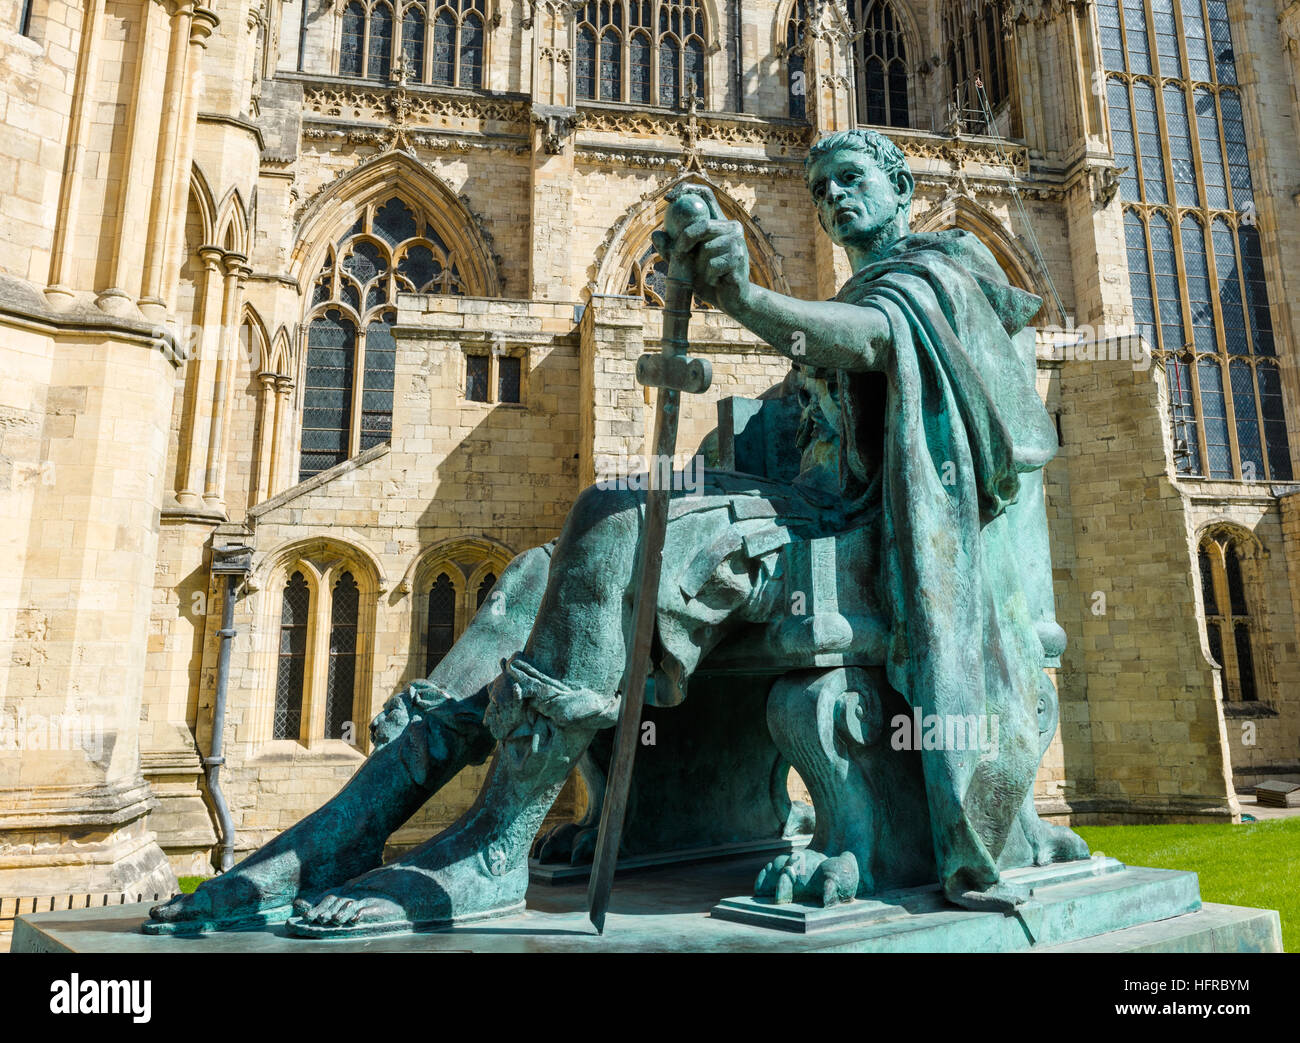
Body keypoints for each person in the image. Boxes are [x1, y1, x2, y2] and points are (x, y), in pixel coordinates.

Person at [148, 128, 1085, 939]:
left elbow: (862, 340)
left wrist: (744, 300)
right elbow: (806, 397)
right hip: (806, 520)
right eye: (821, 186)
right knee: (532, 576)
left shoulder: (944, 273)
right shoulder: (869, 290)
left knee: (613, 516)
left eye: (852, 179)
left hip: (870, 545)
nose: (835, 198)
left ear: (902, 190)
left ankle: (490, 845)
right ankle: (351, 823)